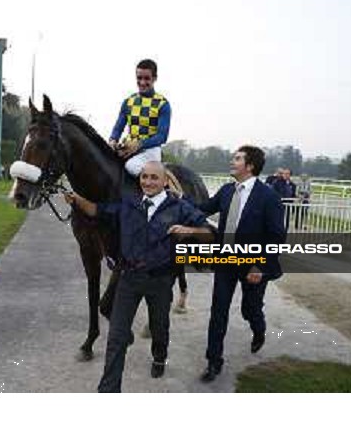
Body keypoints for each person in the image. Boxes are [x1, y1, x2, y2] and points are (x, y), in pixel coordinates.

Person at [64, 161, 211, 392]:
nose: (148, 182)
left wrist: (190, 231)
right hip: (128, 278)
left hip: (160, 281)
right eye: (144, 177)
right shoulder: (128, 204)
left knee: (159, 328)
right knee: (116, 338)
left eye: (154, 178)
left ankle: (159, 357)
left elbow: (210, 233)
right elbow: (97, 210)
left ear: (165, 181)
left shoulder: (180, 207)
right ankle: (109, 390)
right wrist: (76, 199)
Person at [197, 145, 286, 382]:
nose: (232, 161)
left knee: (250, 309)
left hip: (253, 265)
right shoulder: (227, 191)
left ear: (250, 166)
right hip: (226, 261)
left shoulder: (269, 196)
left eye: (237, 158)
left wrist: (261, 267)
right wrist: (173, 197)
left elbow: (277, 236)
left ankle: (259, 329)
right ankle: (213, 362)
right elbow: (203, 208)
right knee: (218, 312)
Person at [108, 59, 171, 177]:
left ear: (154, 78)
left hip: (150, 151)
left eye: (147, 78)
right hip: (127, 147)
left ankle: (163, 185)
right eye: (139, 78)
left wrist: (139, 144)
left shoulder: (163, 104)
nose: (142, 82)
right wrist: (113, 140)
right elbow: (118, 128)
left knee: (131, 166)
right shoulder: (128, 102)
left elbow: (162, 137)